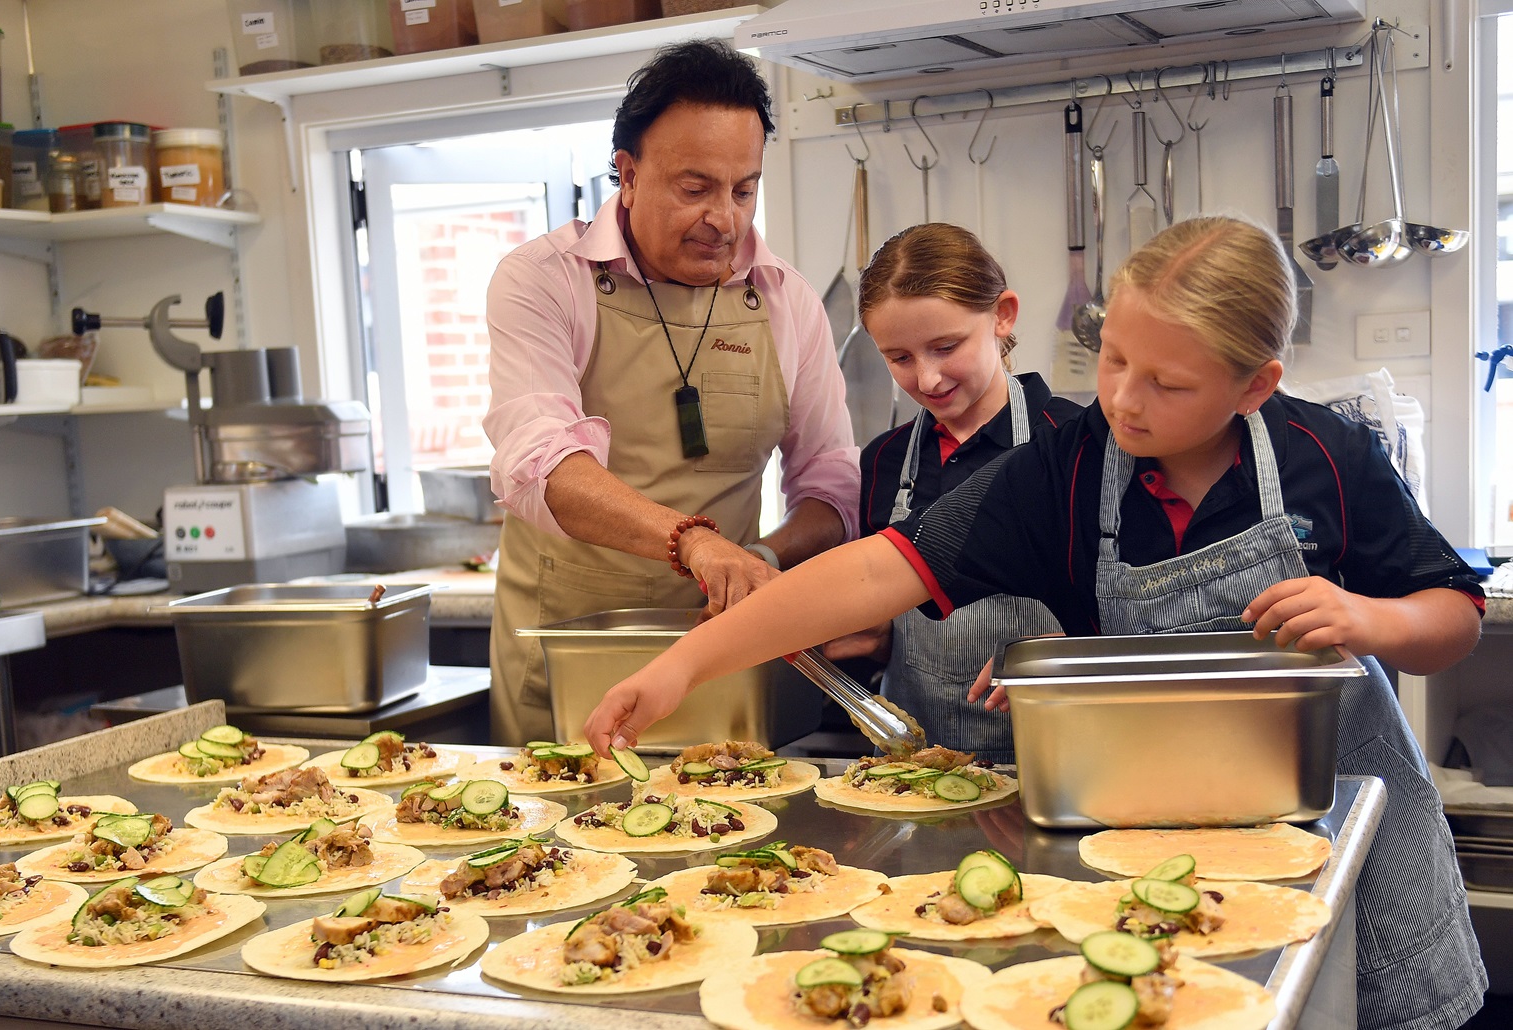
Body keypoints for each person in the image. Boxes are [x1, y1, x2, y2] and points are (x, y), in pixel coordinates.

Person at [586, 216, 1487, 1030]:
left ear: (1256, 385)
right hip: (1151, 825)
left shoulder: (1327, 452)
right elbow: (876, 568)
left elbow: (1453, 615)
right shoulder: (1069, 465)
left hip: (1344, 815)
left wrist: (1371, 618)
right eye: (1114, 360)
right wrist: (683, 665)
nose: (1126, 399)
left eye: (1167, 383)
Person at [481, 39, 858, 745]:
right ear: (626, 172)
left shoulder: (787, 301)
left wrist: (762, 560)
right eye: (696, 188)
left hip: (721, 657)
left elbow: (832, 489)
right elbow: (543, 464)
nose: (726, 217)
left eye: (744, 189)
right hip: (568, 659)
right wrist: (693, 543)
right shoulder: (543, 281)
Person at [822, 223, 1082, 760]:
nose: (929, 378)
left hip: (1058, 762)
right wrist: (876, 631)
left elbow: (1131, 614)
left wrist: (1076, 651)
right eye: (900, 358)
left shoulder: (1074, 444)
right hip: (914, 767)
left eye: (946, 346)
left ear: (1003, 316)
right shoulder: (886, 459)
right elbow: (896, 605)